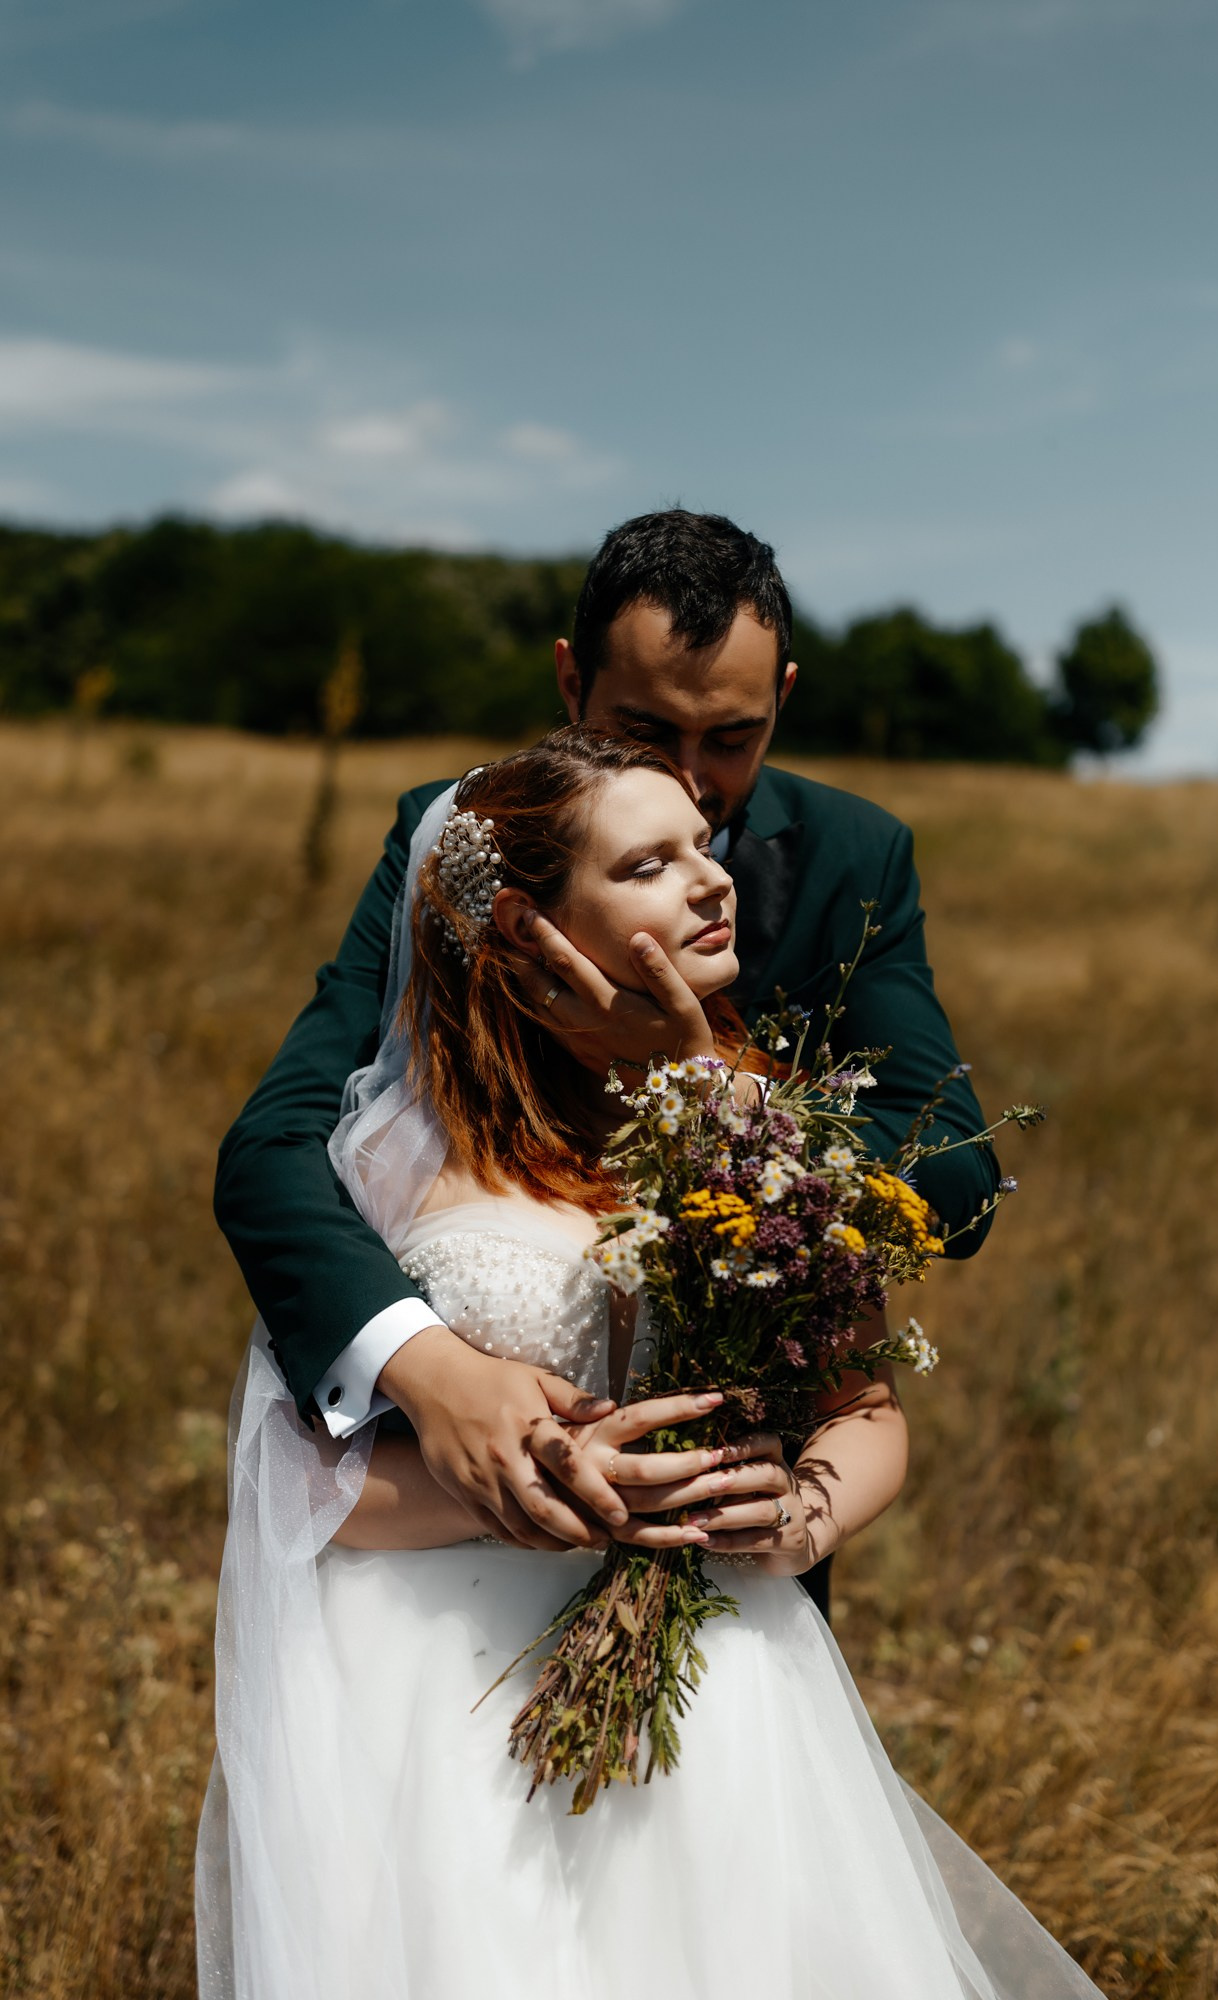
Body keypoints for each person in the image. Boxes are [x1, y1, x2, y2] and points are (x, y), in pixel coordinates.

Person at [196, 729, 1103, 2000]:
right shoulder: (401, 1158)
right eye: (648, 860)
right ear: (527, 930)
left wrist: (804, 1508)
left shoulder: (765, 1137)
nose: (709, 875)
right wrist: (518, 1486)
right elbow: (304, 1494)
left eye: (703, 843)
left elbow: (865, 1406)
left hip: (724, 1687)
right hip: (442, 1699)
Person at [213, 510, 1000, 1614]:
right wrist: (431, 1374)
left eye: (730, 736)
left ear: (782, 694)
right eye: (641, 730)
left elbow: (954, 1176)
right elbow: (276, 1145)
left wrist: (698, 1085)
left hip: (733, 1570)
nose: (688, 780)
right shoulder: (461, 840)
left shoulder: (851, 858)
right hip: (445, 1568)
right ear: (570, 679)